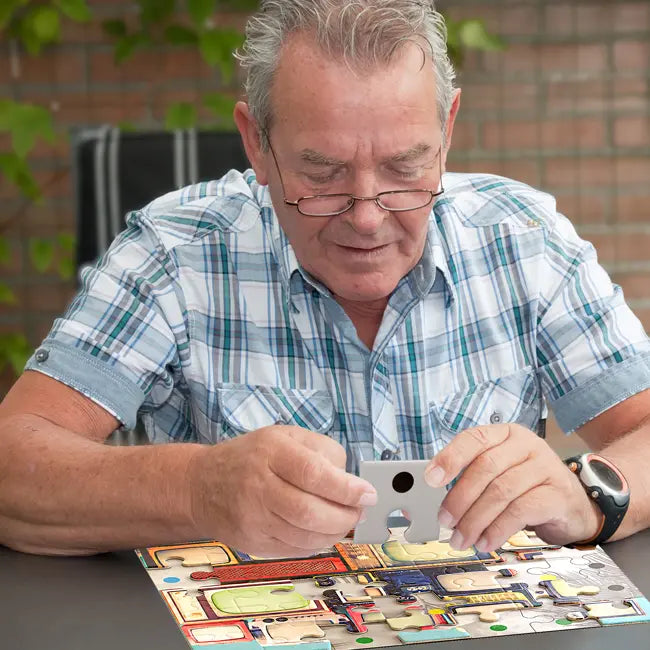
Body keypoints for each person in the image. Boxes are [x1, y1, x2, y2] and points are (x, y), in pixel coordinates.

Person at [1, 0, 649, 559]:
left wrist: (589, 492)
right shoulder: (173, 253)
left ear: (446, 133)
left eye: (404, 168)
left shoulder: (522, 239)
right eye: (322, 173)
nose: (367, 217)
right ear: (257, 143)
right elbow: (14, 463)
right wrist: (198, 489)